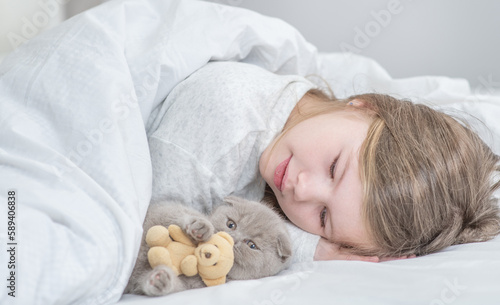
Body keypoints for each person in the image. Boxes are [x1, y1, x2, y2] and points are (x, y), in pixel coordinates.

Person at [148, 61, 500, 263]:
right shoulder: (220, 131)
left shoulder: (308, 122)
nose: (300, 189)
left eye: (323, 216)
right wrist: (306, 248)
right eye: (334, 167)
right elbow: (157, 236)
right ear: (364, 104)